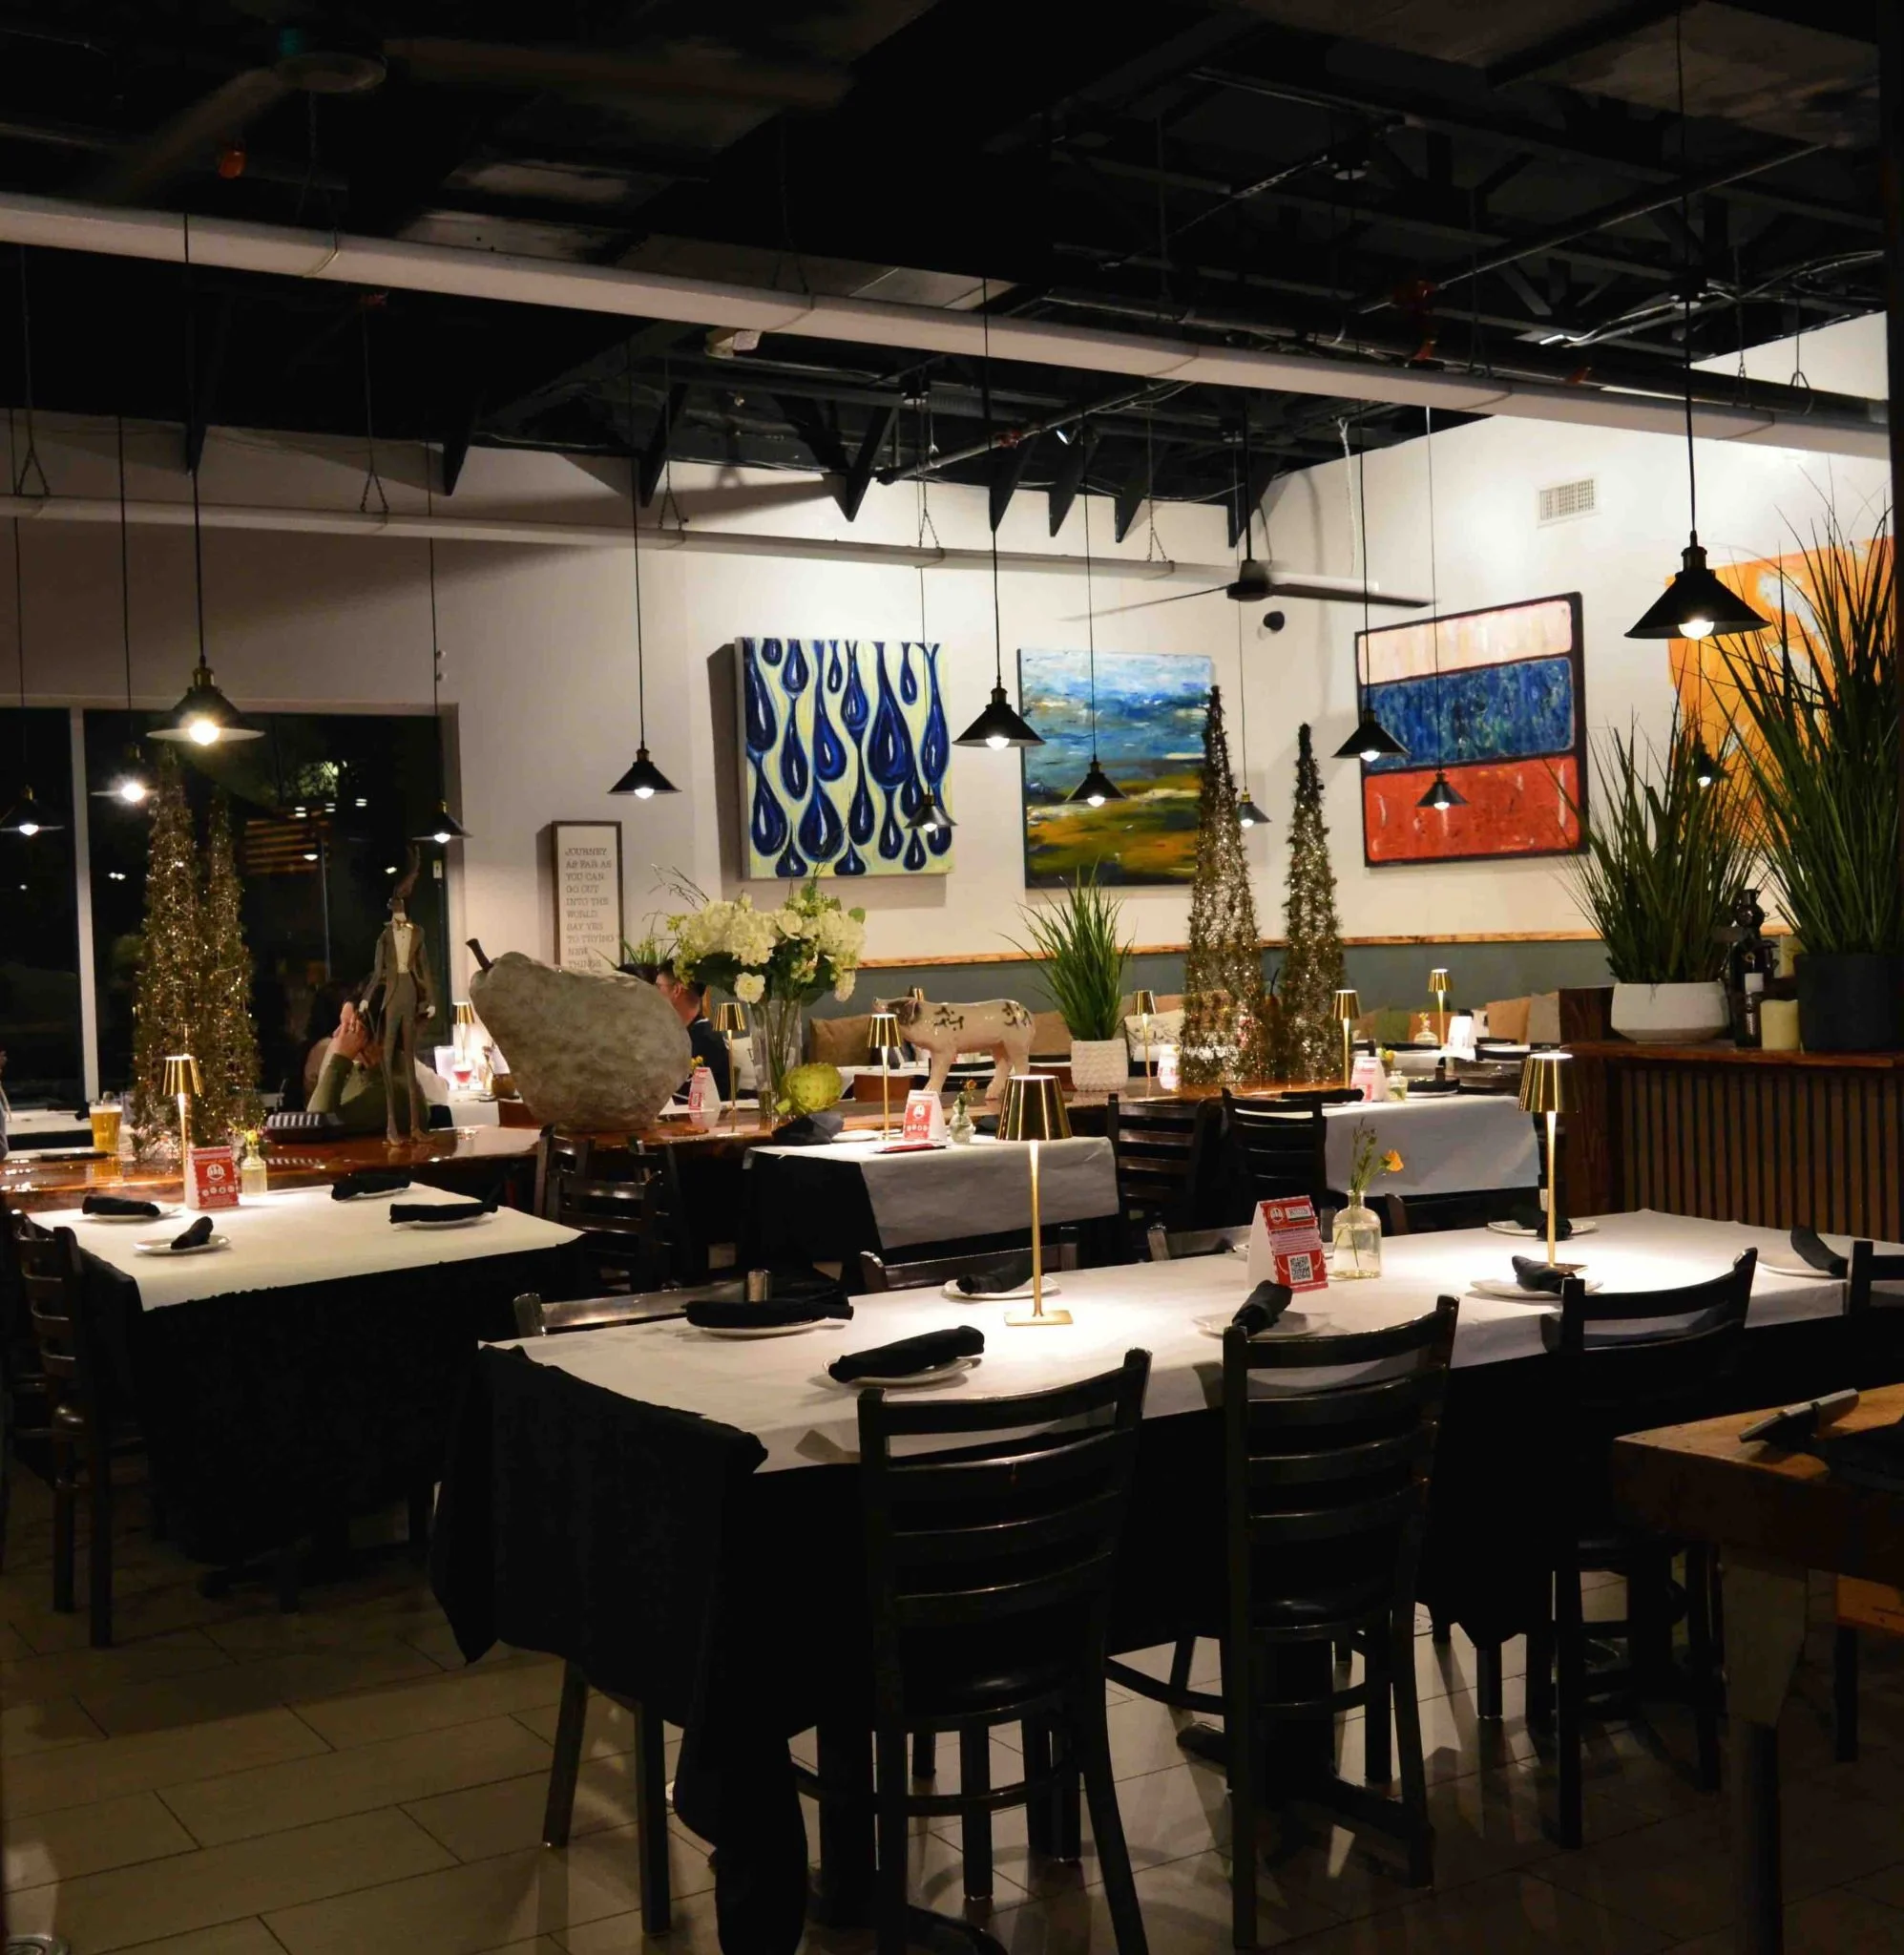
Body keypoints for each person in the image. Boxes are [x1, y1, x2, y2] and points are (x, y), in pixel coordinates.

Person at [308, 1000, 449, 1136]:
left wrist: (340, 1057)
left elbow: (314, 1123)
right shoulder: (359, 1073)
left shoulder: (395, 1093)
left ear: (379, 1036)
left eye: (349, 1027)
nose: (337, 1034)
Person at [656, 965, 731, 1099]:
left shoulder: (705, 1039)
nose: (654, 995)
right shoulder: (681, 1034)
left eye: (658, 987)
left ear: (676, 990)